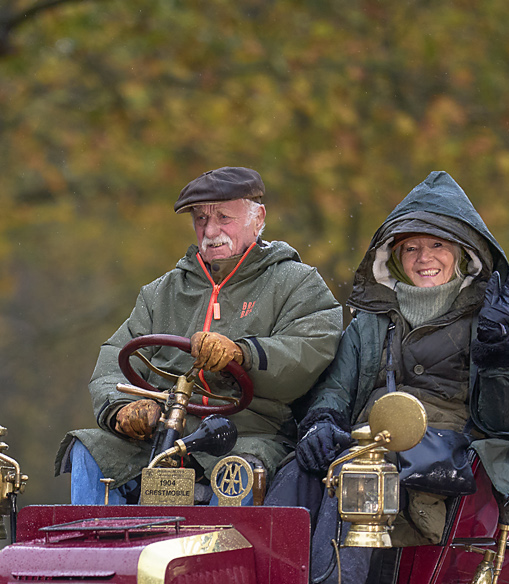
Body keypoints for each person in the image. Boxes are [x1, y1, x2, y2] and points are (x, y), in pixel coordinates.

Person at [268, 170, 509, 584]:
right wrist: (321, 422)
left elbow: (503, 419)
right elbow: (335, 386)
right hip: (363, 443)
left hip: (440, 457)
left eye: (437, 245)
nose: (423, 257)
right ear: (394, 259)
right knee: (298, 469)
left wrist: (501, 348)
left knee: (362, 470)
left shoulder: (488, 321)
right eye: (410, 247)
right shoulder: (371, 322)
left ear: (463, 254)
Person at [57, 167, 345, 503]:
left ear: (258, 218)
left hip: (248, 434)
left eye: (223, 217)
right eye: (200, 219)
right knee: (89, 449)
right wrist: (123, 408)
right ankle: (95, 546)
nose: (210, 230)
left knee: (238, 471)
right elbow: (113, 360)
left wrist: (241, 354)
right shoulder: (160, 293)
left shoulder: (297, 283)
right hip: (159, 437)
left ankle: (231, 555)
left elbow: (308, 352)